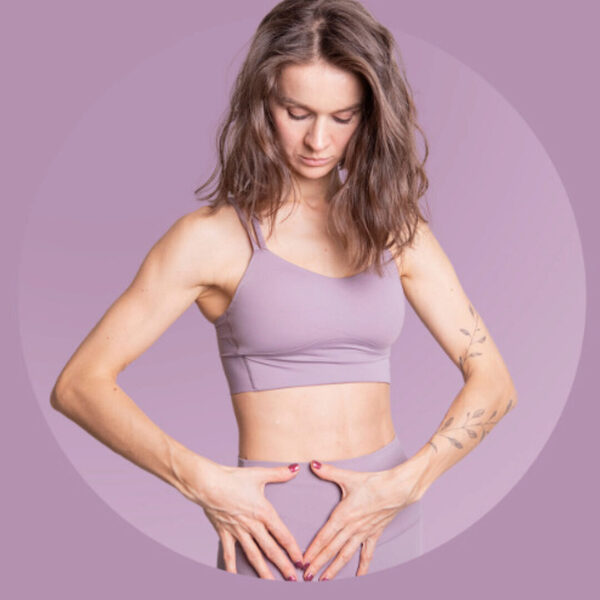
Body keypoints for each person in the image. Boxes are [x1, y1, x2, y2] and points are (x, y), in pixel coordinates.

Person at [50, 0, 518, 583]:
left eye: (343, 117)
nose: (318, 139)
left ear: (371, 117)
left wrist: (407, 482)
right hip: (272, 536)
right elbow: (79, 385)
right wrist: (202, 482)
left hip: (388, 522)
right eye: (297, 112)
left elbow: (494, 382)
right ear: (262, 104)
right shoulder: (211, 239)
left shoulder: (397, 231)